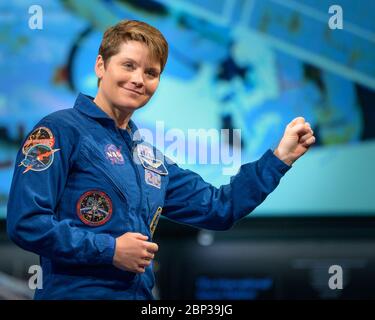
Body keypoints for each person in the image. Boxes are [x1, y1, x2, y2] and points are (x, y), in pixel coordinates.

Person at [6, 20, 315, 300]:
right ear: (101, 66)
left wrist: (279, 159)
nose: (139, 80)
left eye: (151, 73)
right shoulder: (60, 129)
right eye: (128, 66)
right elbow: (27, 222)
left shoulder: (149, 157)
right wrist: (110, 250)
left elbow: (220, 208)